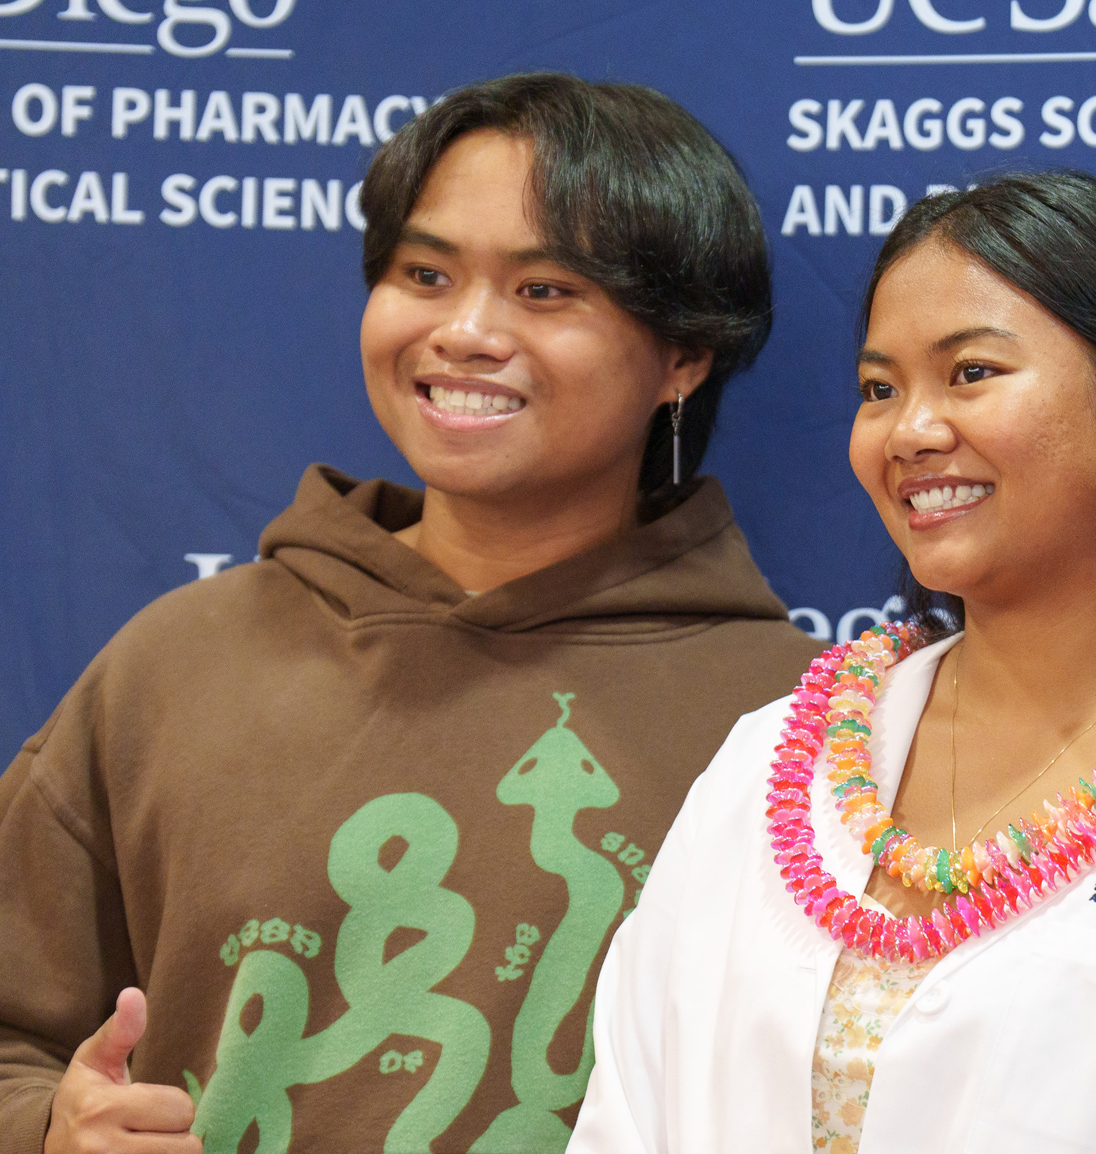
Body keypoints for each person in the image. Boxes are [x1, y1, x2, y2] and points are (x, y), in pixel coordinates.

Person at [0, 72, 824, 1154]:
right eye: (424, 274)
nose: (466, 332)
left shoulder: (798, 723)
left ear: (684, 355)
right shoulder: (179, 659)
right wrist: (47, 1127)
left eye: (545, 291)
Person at [568, 170, 1096, 1154]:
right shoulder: (775, 759)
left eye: (971, 373)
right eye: (880, 389)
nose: (911, 431)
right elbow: (623, 1115)